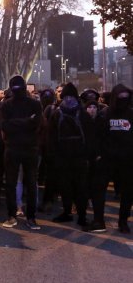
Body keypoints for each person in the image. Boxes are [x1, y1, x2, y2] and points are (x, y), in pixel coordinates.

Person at [47, 83, 96, 227]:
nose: (68, 100)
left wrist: (88, 155)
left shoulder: (78, 114)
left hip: (78, 157)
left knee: (80, 187)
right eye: (66, 97)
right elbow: (51, 137)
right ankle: (69, 212)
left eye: (70, 97)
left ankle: (81, 215)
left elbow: (90, 136)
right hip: (64, 157)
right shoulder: (59, 114)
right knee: (66, 187)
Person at [0, 75, 43, 230]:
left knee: (25, 183)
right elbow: (5, 126)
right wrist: (27, 121)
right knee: (21, 183)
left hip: (20, 147)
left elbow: (36, 124)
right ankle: (25, 217)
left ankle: (21, 216)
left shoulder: (9, 105)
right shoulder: (10, 105)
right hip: (22, 147)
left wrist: (15, 123)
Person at [91, 84, 133, 234]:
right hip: (106, 159)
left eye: (126, 97)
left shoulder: (131, 114)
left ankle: (123, 221)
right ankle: (98, 220)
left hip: (127, 160)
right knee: (98, 190)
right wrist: (98, 155)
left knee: (128, 192)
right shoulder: (104, 114)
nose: (123, 100)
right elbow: (96, 136)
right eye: (120, 97)